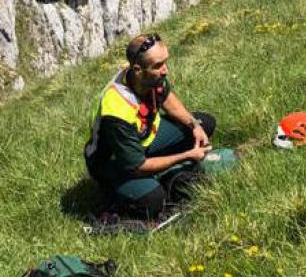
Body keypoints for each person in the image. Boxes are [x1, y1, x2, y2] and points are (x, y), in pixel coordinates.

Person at [83, 33, 217, 217]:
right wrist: (187, 155)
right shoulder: (116, 111)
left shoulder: (149, 77)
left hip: (145, 140)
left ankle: (163, 169)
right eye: (158, 66)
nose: (166, 70)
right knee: (153, 201)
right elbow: (137, 166)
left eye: (165, 62)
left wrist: (195, 125)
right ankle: (115, 193)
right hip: (117, 163)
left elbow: (167, 99)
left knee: (206, 123)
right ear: (138, 69)